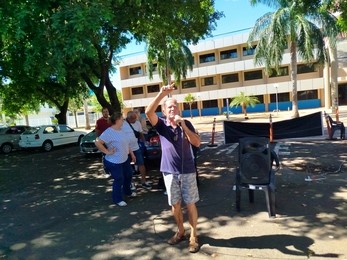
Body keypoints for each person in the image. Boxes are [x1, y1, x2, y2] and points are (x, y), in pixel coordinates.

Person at [145, 83, 201, 253]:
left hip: (188, 171)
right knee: (175, 205)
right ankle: (180, 231)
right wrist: (162, 94)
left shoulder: (187, 123)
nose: (173, 108)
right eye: (170, 106)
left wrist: (183, 126)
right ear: (164, 111)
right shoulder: (161, 125)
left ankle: (193, 236)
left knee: (190, 204)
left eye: (175, 106)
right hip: (169, 172)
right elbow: (148, 112)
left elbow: (197, 142)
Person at [95, 112, 136, 207]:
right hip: (114, 161)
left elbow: (127, 143)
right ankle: (117, 199)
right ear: (117, 120)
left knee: (129, 175)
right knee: (119, 179)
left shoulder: (121, 130)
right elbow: (97, 142)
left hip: (124, 159)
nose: (123, 120)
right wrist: (107, 152)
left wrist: (132, 154)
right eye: (122, 118)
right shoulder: (109, 132)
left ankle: (128, 192)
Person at [123, 111, 152, 190]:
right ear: (128, 118)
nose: (135, 120)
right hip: (126, 149)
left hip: (136, 147)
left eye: (136, 118)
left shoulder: (137, 123)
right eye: (133, 119)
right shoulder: (123, 124)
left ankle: (143, 181)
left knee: (141, 164)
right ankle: (131, 183)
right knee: (128, 166)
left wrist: (144, 142)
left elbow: (140, 133)